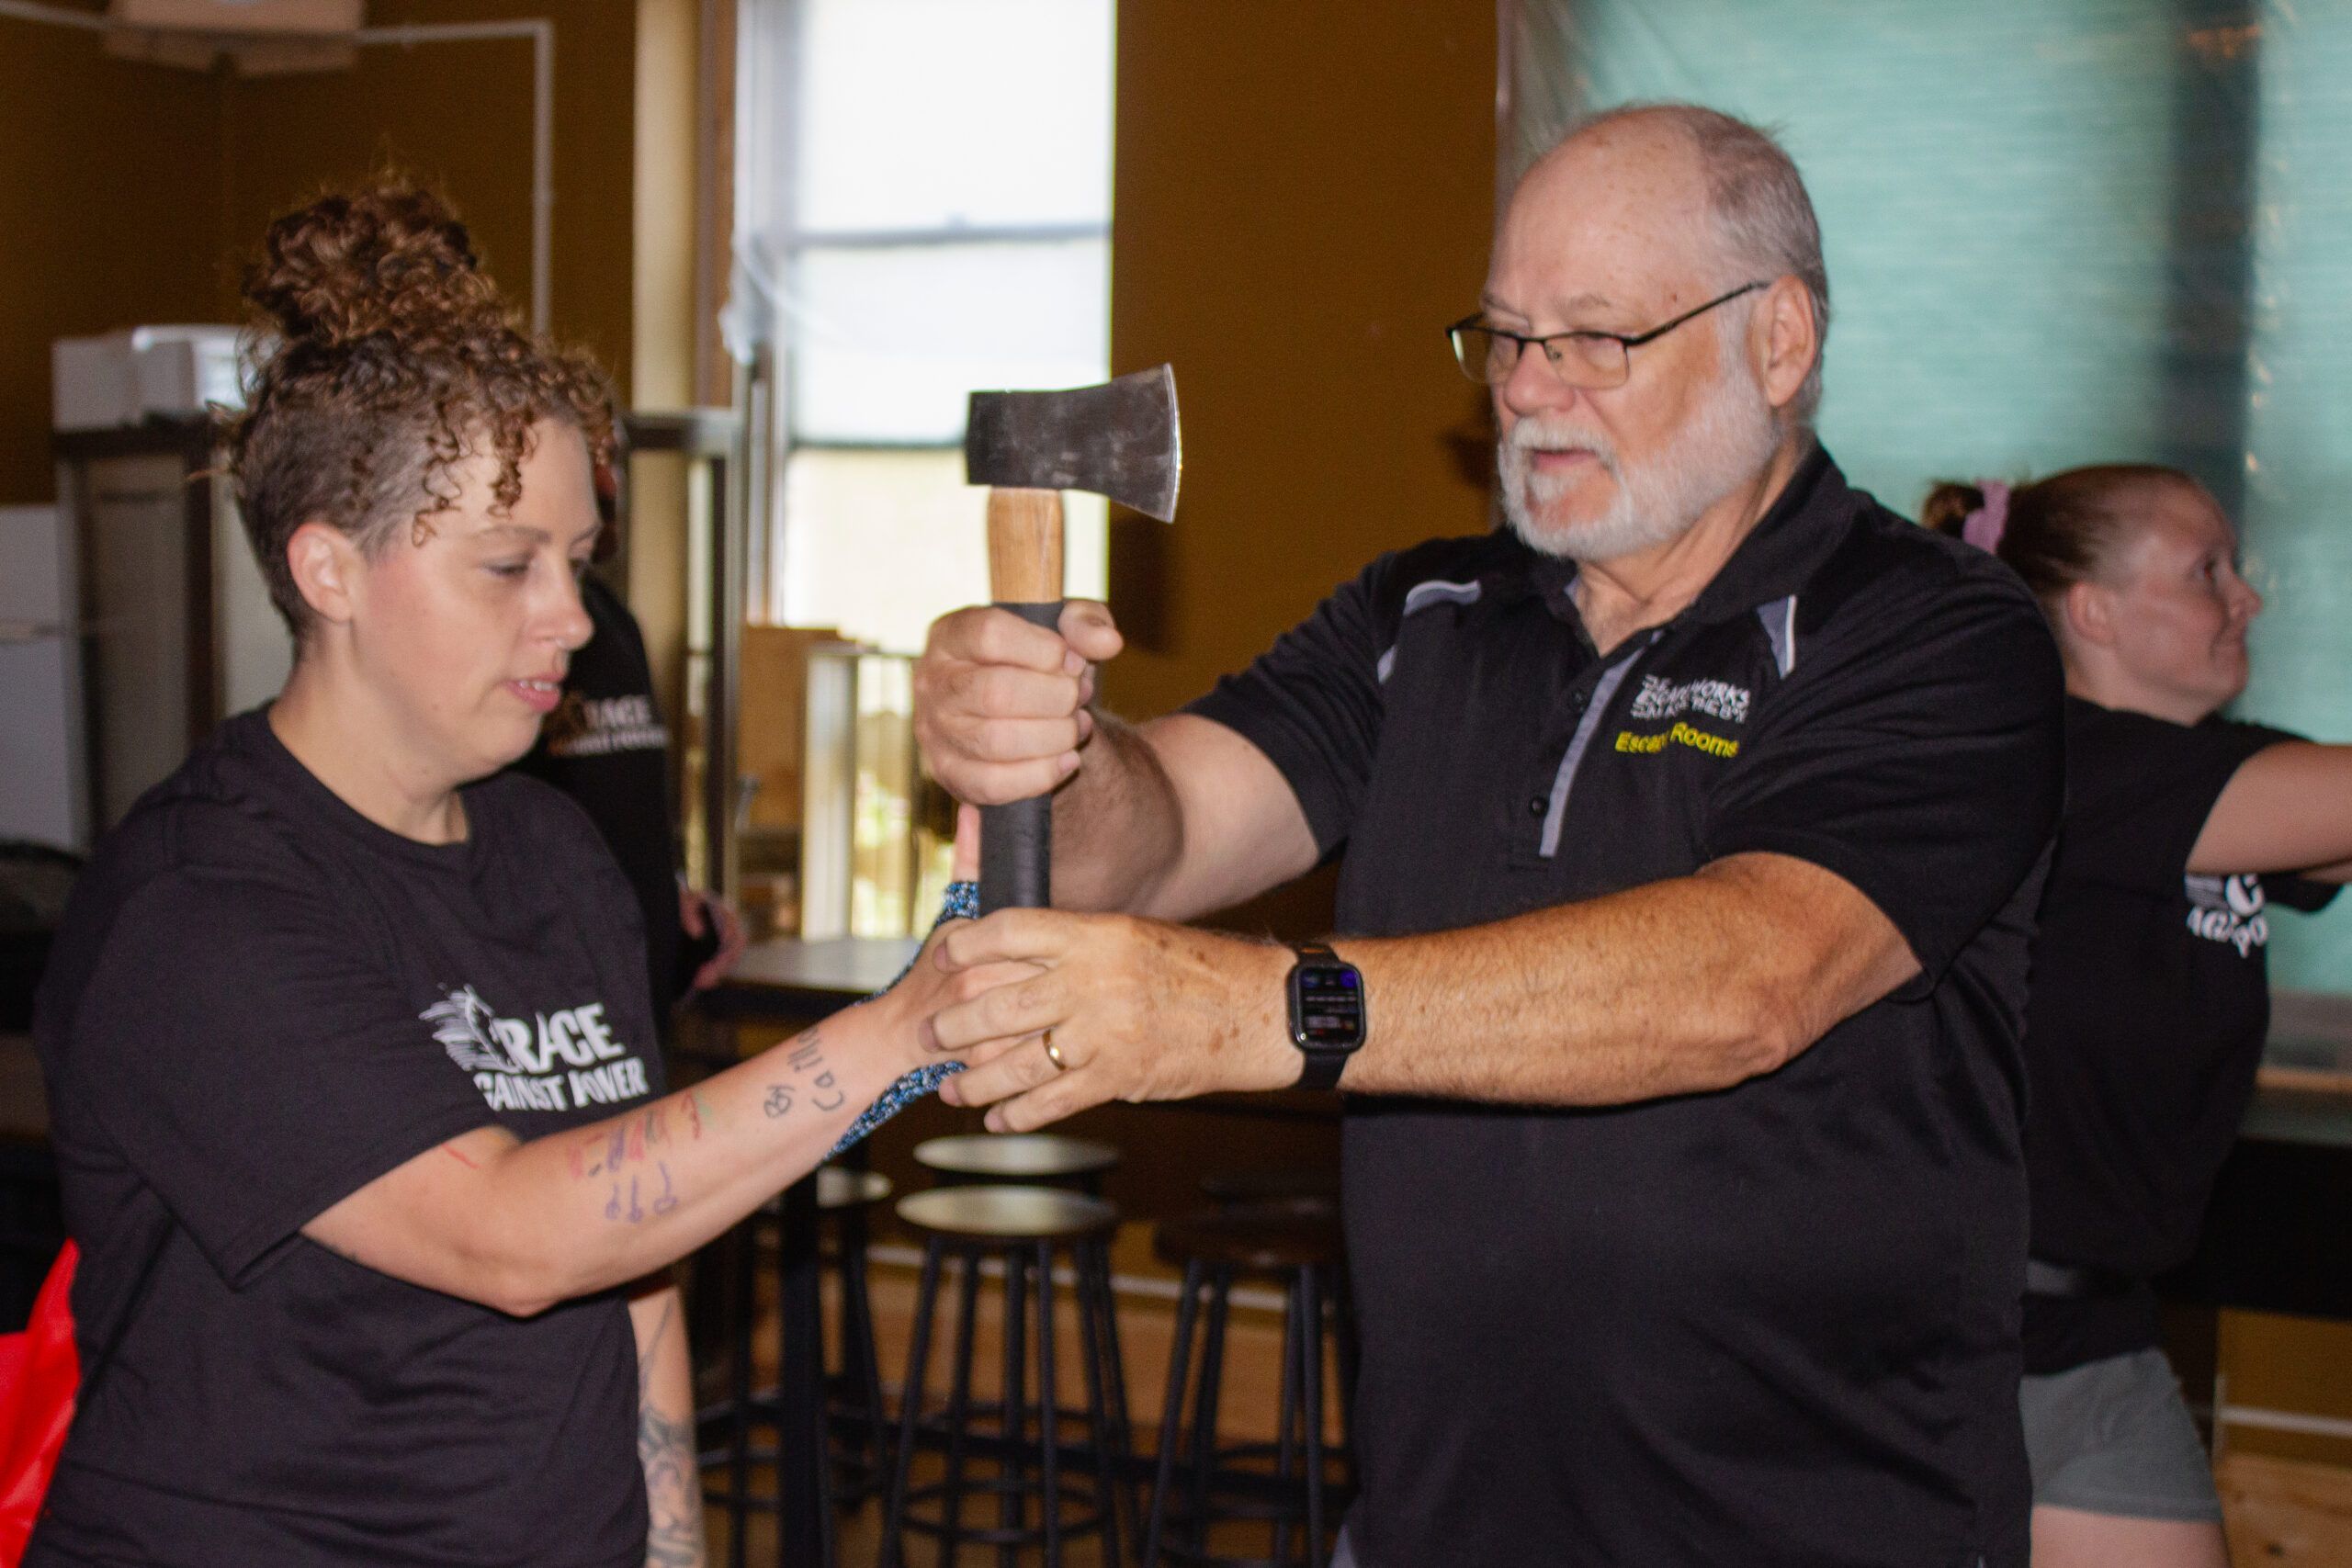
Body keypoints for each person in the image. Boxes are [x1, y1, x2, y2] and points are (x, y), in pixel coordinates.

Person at [910, 103, 2067, 1566]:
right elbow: (1149, 840)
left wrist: (1257, 1008)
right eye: (1506, 337)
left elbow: (1749, 976)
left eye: (1594, 338)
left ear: (1778, 342)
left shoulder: (1927, 632)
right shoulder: (1426, 616)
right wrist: (1041, 744)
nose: (1529, 391)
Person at [27, 183, 1013, 1568]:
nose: (574, 615)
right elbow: (513, 1229)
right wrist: (902, 1032)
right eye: (511, 564)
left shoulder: (548, 848)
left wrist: (671, 1547)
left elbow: (638, 1263)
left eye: (580, 559)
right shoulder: (197, 907)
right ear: (331, 570)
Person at [1925, 468, 2349, 1568]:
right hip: (1936, 1346)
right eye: (2207, 573)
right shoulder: (2055, 761)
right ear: (2093, 612)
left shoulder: (2201, 777)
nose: (2245, 599)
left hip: (2095, 1338)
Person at [513, 444, 744, 1013]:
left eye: (610, 453)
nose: (607, 478)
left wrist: (677, 891)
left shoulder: (612, 620)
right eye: (589, 457)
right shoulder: (518, 635)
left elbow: (632, 788)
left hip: (641, 969)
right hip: (552, 977)